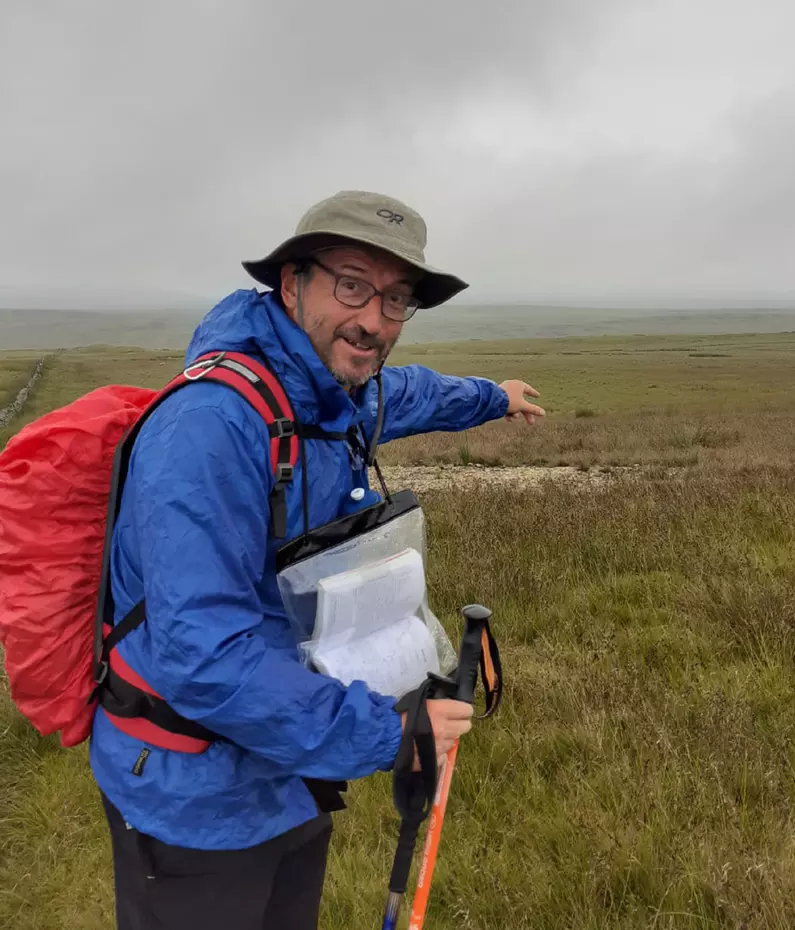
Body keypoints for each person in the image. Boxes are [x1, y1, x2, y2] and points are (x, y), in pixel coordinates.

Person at [90, 189, 545, 930]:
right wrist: (391, 733)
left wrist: (493, 397)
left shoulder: (337, 395)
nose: (373, 319)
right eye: (353, 284)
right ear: (291, 282)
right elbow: (203, 655)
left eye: (397, 299)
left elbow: (413, 392)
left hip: (290, 765)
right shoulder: (210, 429)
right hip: (192, 795)